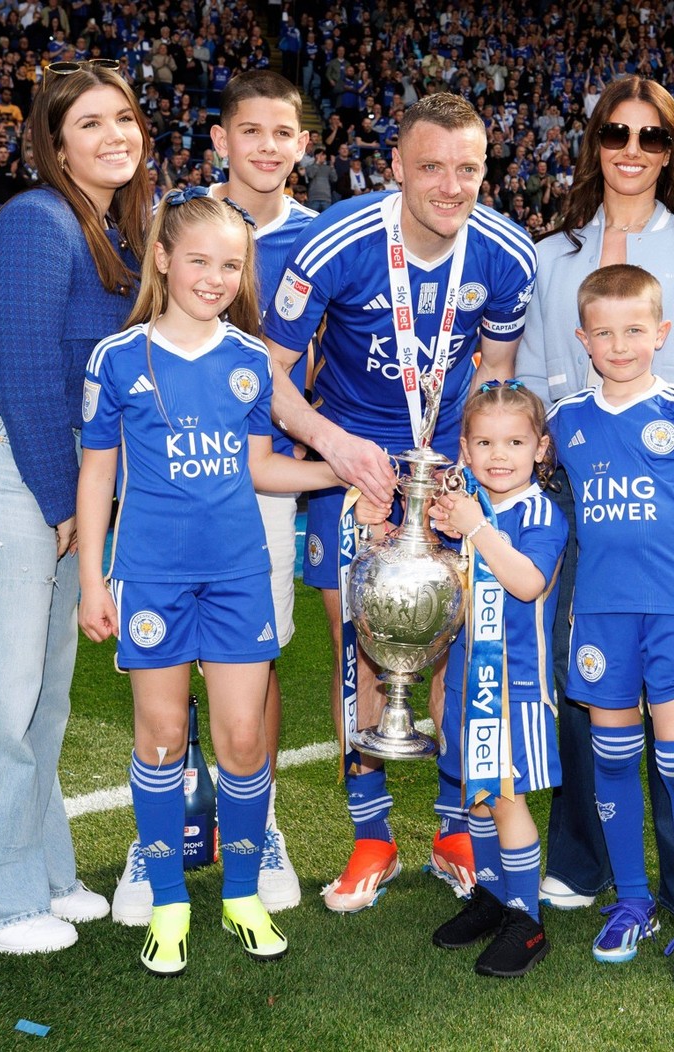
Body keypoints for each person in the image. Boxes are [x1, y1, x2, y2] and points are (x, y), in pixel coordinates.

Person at [260, 92, 536, 913]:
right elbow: (267, 374)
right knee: (364, 658)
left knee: (453, 655)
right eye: (431, 168)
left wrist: (456, 478)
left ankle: (456, 833)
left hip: (448, 473)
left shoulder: (507, 256)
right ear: (395, 169)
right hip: (351, 474)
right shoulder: (336, 240)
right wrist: (338, 450)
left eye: (468, 169)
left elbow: (494, 379)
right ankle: (371, 840)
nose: (450, 186)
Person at [0, 61, 152, 956]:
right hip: (6, 472)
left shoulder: (107, 226)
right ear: (54, 144)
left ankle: (41, 872)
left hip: (47, 483)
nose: (113, 137)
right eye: (89, 125)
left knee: (41, 701)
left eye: (123, 118)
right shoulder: (35, 218)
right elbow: (15, 371)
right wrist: (65, 505)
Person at [77, 190, 339, 976]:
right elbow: (97, 477)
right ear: (162, 258)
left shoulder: (251, 360)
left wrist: (341, 468)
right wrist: (94, 580)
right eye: (200, 260)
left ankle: (241, 893)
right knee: (160, 739)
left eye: (232, 264)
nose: (216, 277)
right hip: (151, 578)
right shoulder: (117, 358)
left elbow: (260, 467)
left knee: (245, 738)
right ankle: (166, 899)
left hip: (236, 577)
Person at [510, 74, 674, 935]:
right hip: (570, 483)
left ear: (673, 150)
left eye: (652, 137)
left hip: (667, 487)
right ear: (594, 144)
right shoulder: (553, 255)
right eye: (617, 134)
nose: (633, 151)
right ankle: (591, 865)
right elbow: (533, 380)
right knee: (588, 680)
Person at [110, 70, 318, 925]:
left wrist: (349, 458)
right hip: (169, 492)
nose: (268, 147)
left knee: (251, 660)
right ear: (223, 139)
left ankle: (256, 825)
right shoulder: (177, 221)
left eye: (285, 133)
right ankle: (162, 830)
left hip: (259, 473)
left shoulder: (322, 234)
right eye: (252, 131)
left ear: (304, 145)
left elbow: (310, 372)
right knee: (164, 684)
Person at [546, 264, 674, 989]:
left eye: (634, 331)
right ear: (582, 338)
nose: (619, 345)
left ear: (661, 333)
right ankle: (631, 901)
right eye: (604, 332)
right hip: (599, 616)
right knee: (614, 761)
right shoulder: (565, 421)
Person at [424, 381, 566, 978]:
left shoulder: (539, 512)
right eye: (484, 442)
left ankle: (525, 919)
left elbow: (528, 582)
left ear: (540, 448)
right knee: (475, 800)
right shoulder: (467, 509)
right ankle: (490, 896)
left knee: (506, 799)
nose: (498, 454)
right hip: (463, 681)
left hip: (517, 688)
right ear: (464, 448)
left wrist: (476, 528)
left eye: (514, 441)